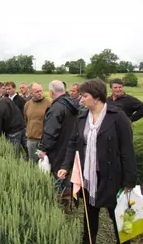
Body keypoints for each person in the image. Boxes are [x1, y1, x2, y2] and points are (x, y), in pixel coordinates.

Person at [57, 79, 136, 244]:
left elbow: (127, 151)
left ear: (97, 97)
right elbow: (73, 143)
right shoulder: (82, 116)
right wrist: (66, 166)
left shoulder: (117, 117)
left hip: (111, 178)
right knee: (89, 217)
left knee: (119, 219)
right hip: (87, 176)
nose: (81, 99)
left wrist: (129, 181)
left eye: (85, 96)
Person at [38, 80, 78, 193]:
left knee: (55, 179)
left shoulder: (56, 108)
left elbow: (50, 132)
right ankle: (65, 202)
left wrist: (43, 149)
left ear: (51, 92)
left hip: (57, 150)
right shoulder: (72, 104)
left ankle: (57, 204)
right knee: (65, 176)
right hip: (70, 149)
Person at [24, 83, 51, 163]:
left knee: (43, 163)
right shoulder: (27, 104)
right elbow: (26, 120)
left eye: (41, 91)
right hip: (31, 141)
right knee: (33, 162)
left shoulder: (48, 104)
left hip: (42, 141)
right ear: (31, 93)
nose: (40, 93)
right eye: (37, 92)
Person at [6, 81, 28, 158]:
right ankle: (19, 163)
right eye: (7, 89)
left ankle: (34, 161)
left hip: (21, 127)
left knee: (28, 146)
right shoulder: (6, 100)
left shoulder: (20, 100)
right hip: (12, 128)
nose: (8, 91)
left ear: (14, 89)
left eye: (10, 89)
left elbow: (25, 114)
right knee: (16, 149)